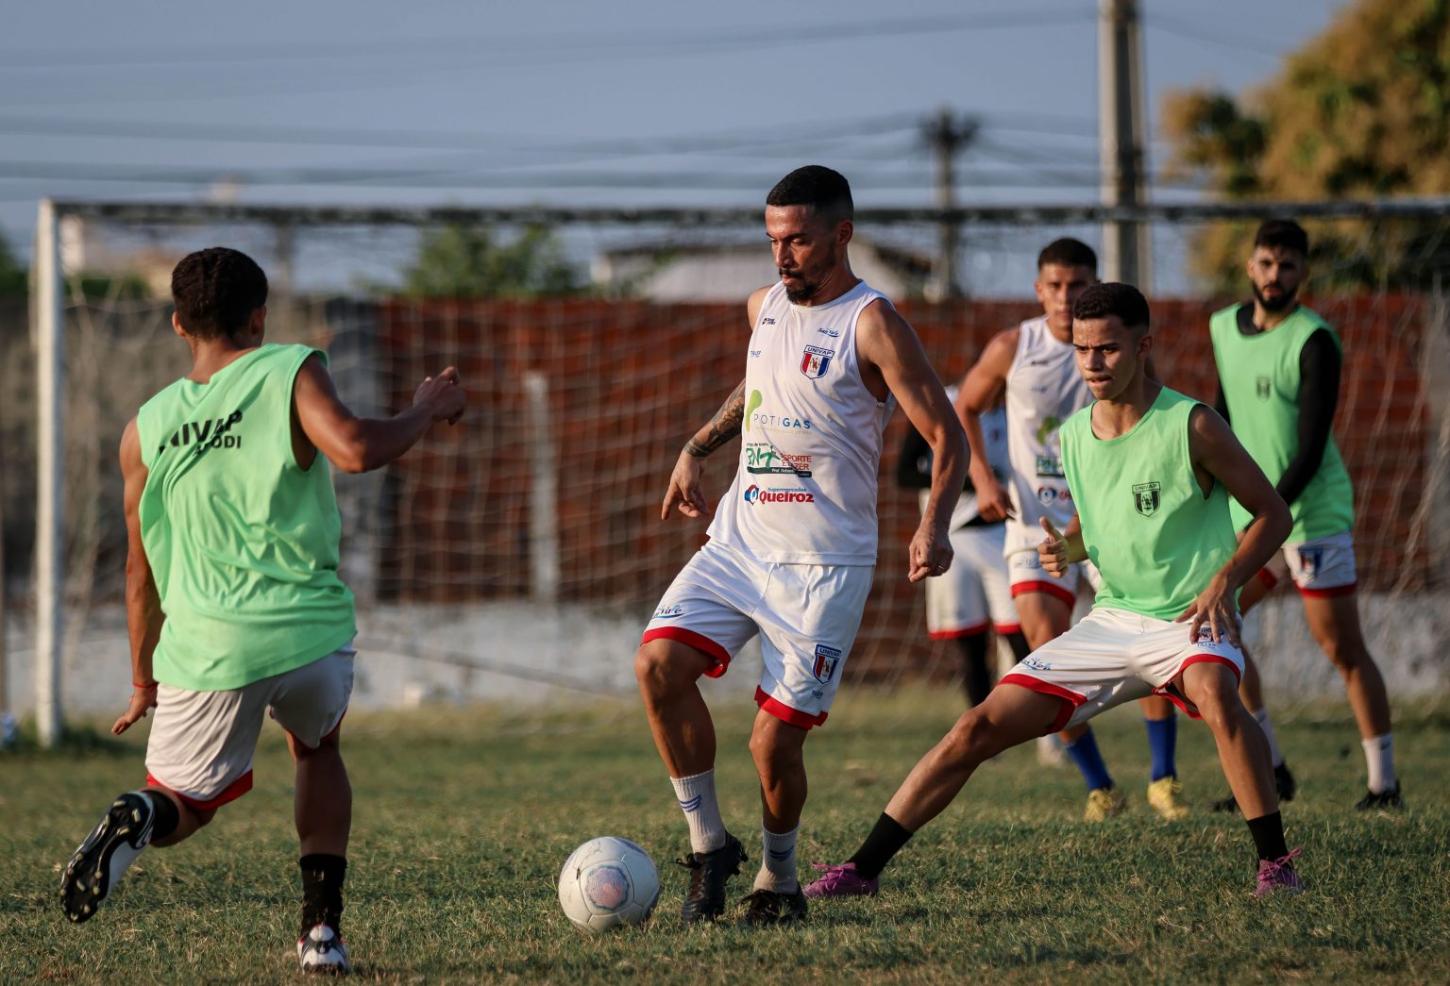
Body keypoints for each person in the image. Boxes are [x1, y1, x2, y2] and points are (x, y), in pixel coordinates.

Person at [805, 282, 1303, 902]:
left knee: (1217, 695)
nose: (1093, 363)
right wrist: (1069, 546)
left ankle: (1276, 866)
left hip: (1188, 621)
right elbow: (1103, 526)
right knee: (975, 728)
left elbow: (1272, 514)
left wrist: (1224, 580)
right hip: (1114, 623)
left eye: (1110, 350)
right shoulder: (1072, 436)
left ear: (1143, 347)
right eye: (1083, 349)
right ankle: (861, 870)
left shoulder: (1193, 423)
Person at [60, 247, 466, 974]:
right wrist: (424, 410)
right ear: (259, 316)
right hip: (306, 630)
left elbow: (138, 569)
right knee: (317, 750)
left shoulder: (145, 429)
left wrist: (142, 682)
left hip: (205, 648)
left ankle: (140, 816)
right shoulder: (289, 368)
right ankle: (321, 935)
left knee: (180, 808)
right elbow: (353, 449)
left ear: (179, 324)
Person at [635, 165, 967, 926]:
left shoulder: (872, 322)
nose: (782, 255)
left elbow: (946, 433)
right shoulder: (765, 308)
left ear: (842, 235)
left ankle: (778, 881)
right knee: (656, 664)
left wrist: (933, 524)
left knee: (772, 745)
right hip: (739, 544)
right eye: (772, 239)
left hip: (823, 566)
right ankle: (708, 845)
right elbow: (757, 390)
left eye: (798, 239)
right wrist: (695, 447)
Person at [955, 239, 1187, 821]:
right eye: (1055, 286)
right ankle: (1101, 785)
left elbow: (1153, 420)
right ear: (1038, 290)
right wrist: (983, 478)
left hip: (1112, 520)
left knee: (1150, 644)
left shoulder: (1117, 351)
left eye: (1077, 284)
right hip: (1037, 527)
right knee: (1047, 652)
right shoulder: (1014, 347)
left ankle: (1163, 777)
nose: (1066, 296)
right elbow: (964, 406)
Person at [1206, 219, 1401, 811]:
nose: (1275, 275)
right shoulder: (1222, 327)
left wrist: (1268, 510)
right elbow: (1221, 416)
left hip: (1311, 513)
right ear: (1250, 267)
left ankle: (1383, 784)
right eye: (1266, 263)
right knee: (1220, 625)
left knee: (1341, 647)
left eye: (1287, 266)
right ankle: (1272, 769)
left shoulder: (1315, 338)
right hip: (1258, 514)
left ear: (1302, 274)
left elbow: (1312, 448)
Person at [896, 398, 1027, 706]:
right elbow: (903, 473)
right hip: (952, 536)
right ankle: (983, 729)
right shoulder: (940, 407)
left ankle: (1041, 730)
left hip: (1004, 535)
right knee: (971, 646)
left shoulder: (1017, 407)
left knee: (1022, 636)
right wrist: (971, 483)